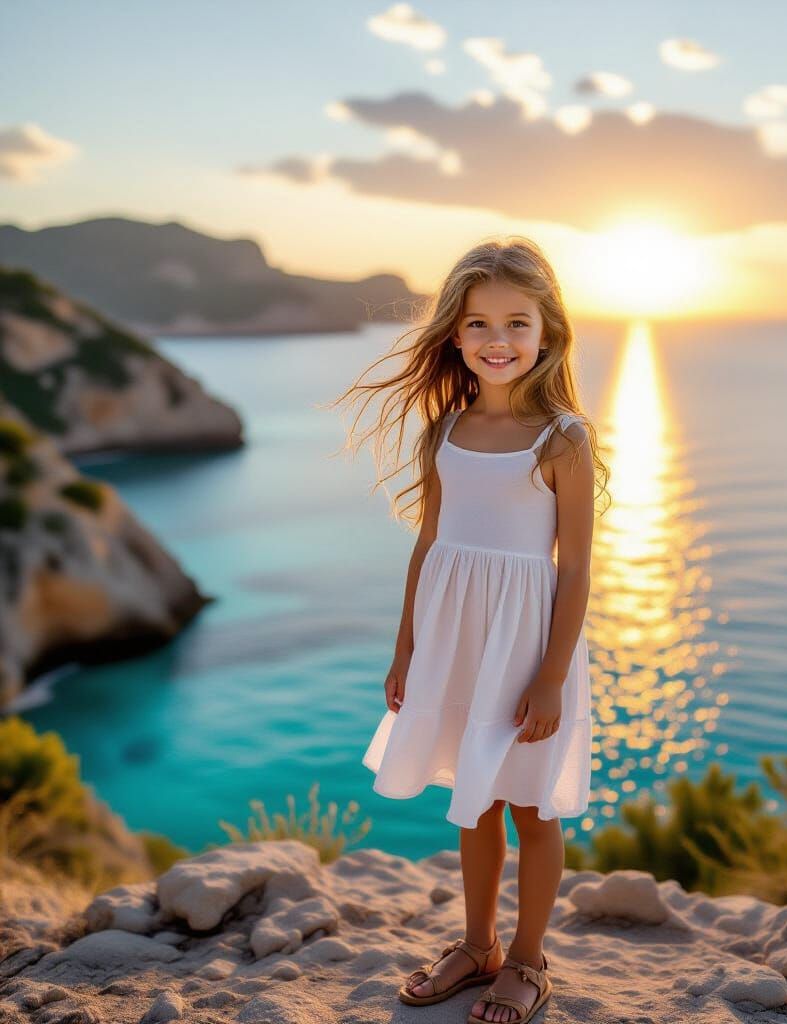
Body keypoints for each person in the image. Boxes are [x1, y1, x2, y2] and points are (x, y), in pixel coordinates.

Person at [333, 236, 609, 1023]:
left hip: (526, 644)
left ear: (548, 333)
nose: (498, 340)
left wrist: (551, 675)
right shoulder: (443, 433)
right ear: (455, 334)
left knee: (531, 805)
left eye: (518, 324)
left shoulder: (565, 439)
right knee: (473, 799)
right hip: (454, 638)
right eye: (480, 324)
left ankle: (527, 959)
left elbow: (579, 568)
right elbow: (429, 545)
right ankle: (478, 944)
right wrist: (406, 648)